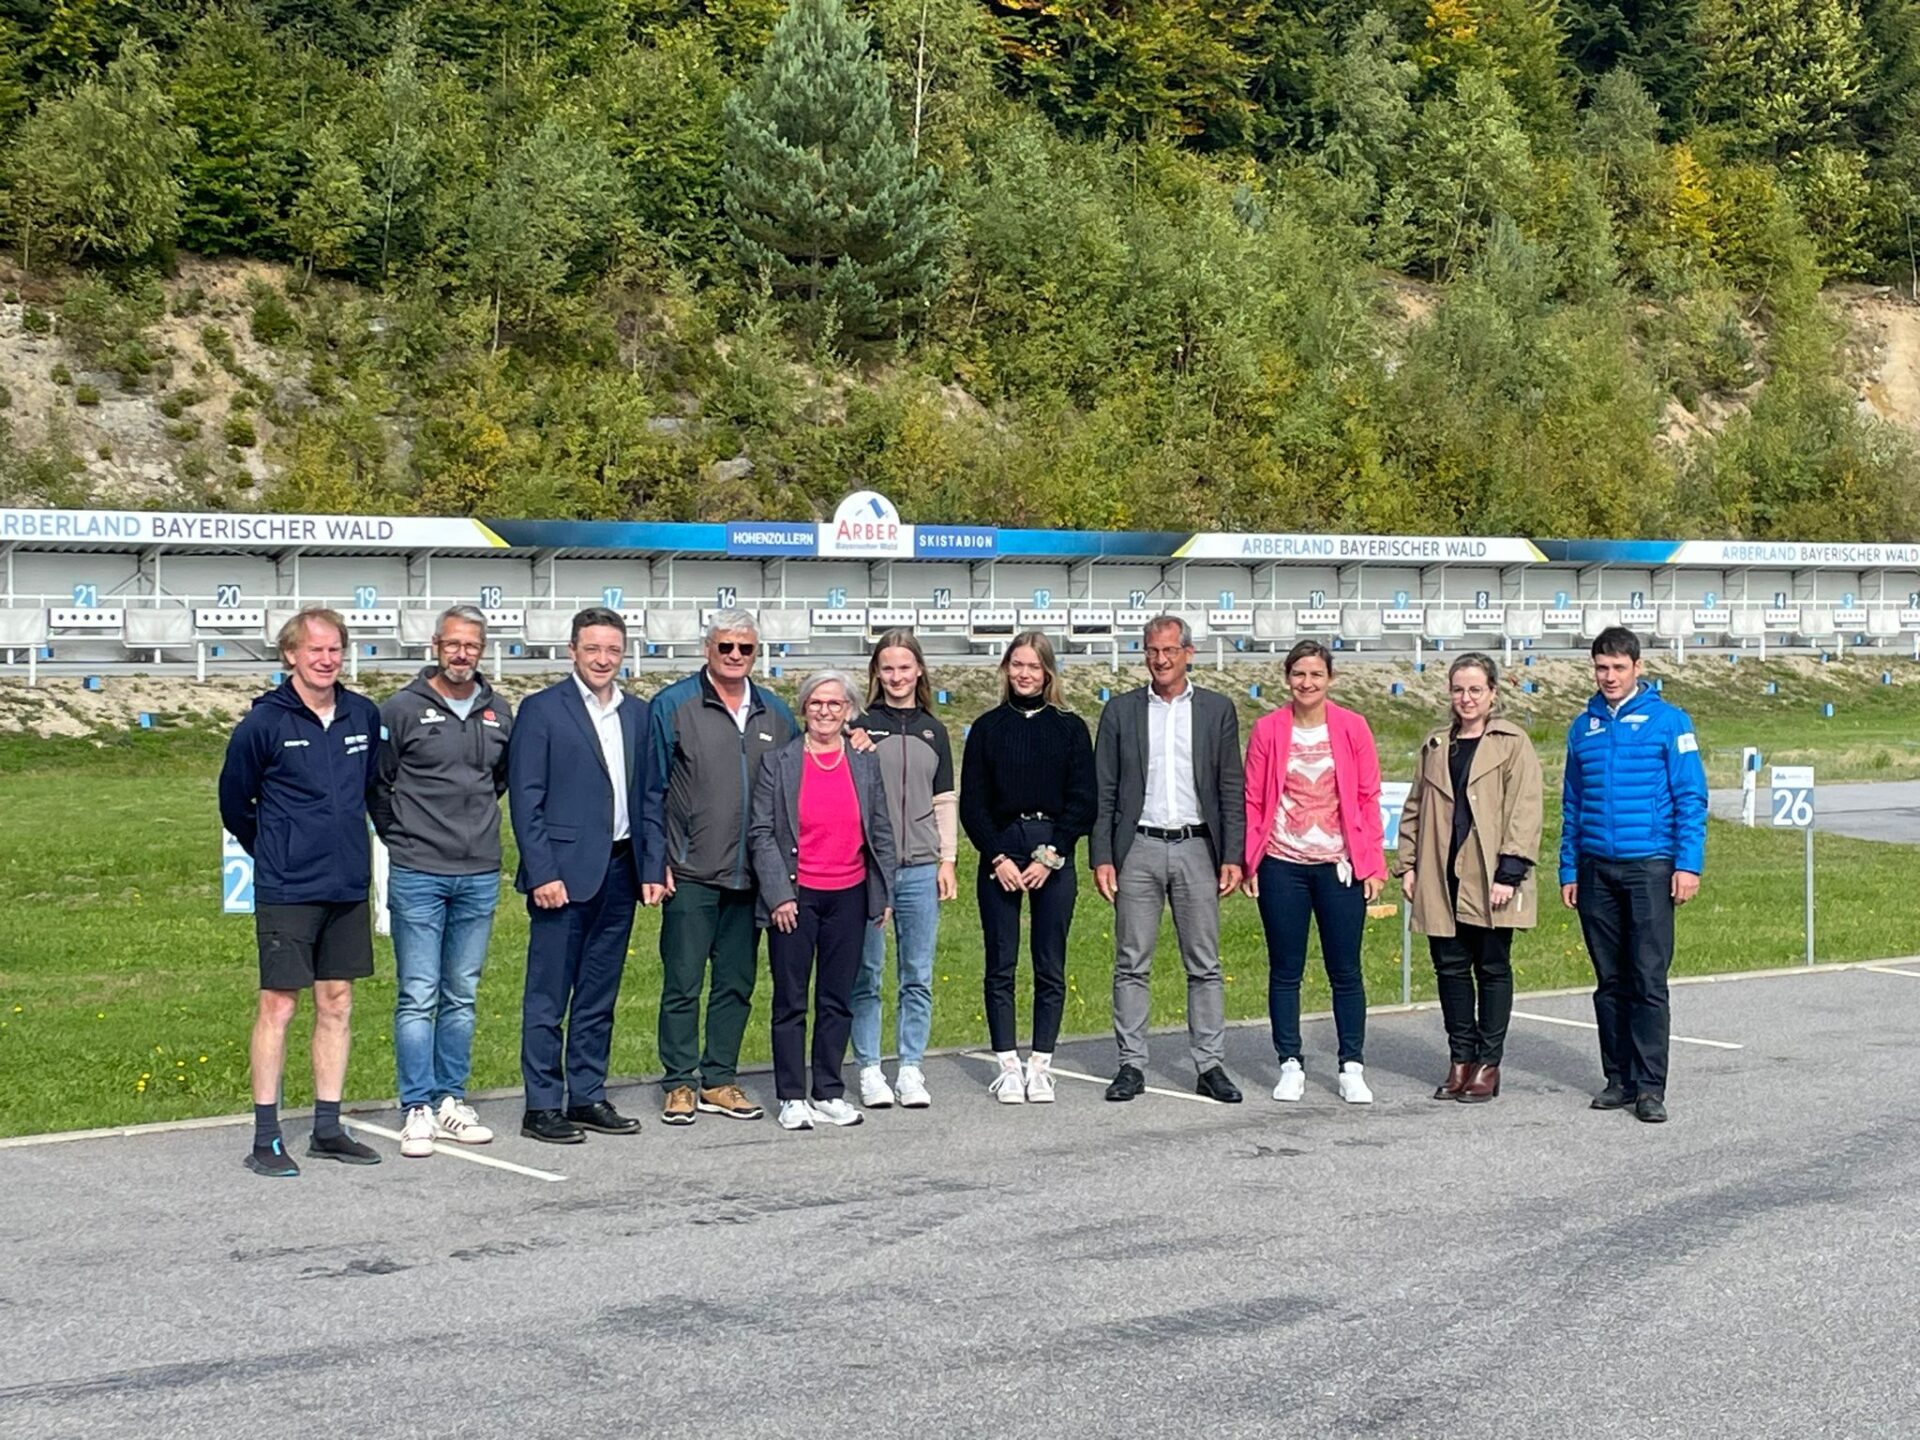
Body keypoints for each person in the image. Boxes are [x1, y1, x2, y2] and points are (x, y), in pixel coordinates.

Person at [218, 606, 384, 1176]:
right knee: (280, 1004)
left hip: (347, 884)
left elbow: (376, 793)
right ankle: (266, 1137)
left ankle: (328, 1128)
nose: (325, 659)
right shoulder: (263, 724)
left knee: (336, 1001)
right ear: (290, 654)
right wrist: (275, 848)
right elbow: (235, 803)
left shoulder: (363, 714)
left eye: (334, 649)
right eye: (314, 650)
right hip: (288, 885)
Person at [508, 607, 666, 1144]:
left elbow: (649, 795)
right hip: (562, 874)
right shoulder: (541, 710)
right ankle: (542, 1105)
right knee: (549, 995)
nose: (603, 659)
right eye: (593, 648)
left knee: (599, 993)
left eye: (613, 650)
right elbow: (526, 800)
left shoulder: (637, 715)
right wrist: (542, 871)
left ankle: (587, 1094)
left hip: (620, 871)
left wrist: (650, 865)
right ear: (573, 650)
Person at [370, 605, 513, 1158]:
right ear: (435, 645)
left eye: (471, 646)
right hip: (418, 872)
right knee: (418, 993)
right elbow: (378, 784)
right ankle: (417, 1107)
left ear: (482, 650)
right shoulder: (402, 709)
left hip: (478, 872)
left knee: (462, 994)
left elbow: (497, 780)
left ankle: (452, 1098)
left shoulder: (497, 710)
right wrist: (403, 837)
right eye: (452, 644)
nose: (461, 654)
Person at [648, 609, 798, 1126]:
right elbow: (652, 790)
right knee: (683, 981)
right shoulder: (673, 706)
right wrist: (657, 860)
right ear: (706, 649)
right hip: (690, 871)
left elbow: (798, 784)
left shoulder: (775, 714)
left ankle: (719, 1078)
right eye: (725, 647)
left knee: (736, 983)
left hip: (751, 876)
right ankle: (679, 1082)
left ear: (758, 653)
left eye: (745, 648)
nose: (735, 656)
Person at [1092, 615, 1247, 1104]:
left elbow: (1229, 787)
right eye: (1152, 651)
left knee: (1203, 963)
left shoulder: (1217, 710)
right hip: (1137, 847)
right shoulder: (1119, 712)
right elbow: (1106, 791)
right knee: (1131, 962)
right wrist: (1102, 856)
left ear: (1188, 653)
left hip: (1197, 848)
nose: (1161, 659)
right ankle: (1131, 1064)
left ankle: (1209, 1064)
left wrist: (1233, 855)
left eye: (1170, 650)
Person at [1561, 626, 1707, 1125]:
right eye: (1601, 668)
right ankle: (1618, 1078)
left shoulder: (1671, 722)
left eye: (1619, 668)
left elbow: (1691, 797)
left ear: (1637, 669)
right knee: (1609, 982)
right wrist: (1569, 867)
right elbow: (1573, 804)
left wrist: (1688, 864)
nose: (1609, 677)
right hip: (1595, 867)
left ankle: (1649, 1087)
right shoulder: (1584, 727)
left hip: (1650, 867)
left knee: (1647, 979)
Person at [749, 671, 898, 1131]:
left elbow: (880, 830)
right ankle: (792, 1095)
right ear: (804, 708)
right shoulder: (780, 762)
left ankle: (828, 1090)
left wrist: (883, 891)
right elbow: (761, 834)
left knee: (837, 998)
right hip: (797, 897)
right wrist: (778, 895)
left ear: (849, 710)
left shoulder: (864, 762)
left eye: (835, 704)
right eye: (816, 703)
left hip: (849, 895)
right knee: (791, 1000)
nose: (826, 712)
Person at [1395, 653, 1543, 1104]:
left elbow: (1526, 808)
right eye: (1459, 689)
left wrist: (1510, 871)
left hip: (1490, 875)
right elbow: (1415, 808)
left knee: (1492, 968)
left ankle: (1488, 1063)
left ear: (1493, 693)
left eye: (1475, 689)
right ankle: (1460, 1058)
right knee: (1450, 969)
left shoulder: (1512, 742)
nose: (1466, 698)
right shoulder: (1438, 744)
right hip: (1440, 875)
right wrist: (1408, 865)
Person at [1243, 640, 1385, 1105]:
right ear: (1288, 678)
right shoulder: (1267, 730)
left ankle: (1351, 1065)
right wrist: (1251, 861)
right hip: (1282, 864)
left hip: (1339, 867)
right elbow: (1253, 800)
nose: (1307, 683)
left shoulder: (1352, 728)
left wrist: (1373, 864)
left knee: (1345, 970)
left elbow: (1367, 797)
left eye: (1316, 675)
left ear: (1330, 680)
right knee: (1286, 970)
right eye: (1299, 674)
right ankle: (1290, 1062)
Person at [959, 631, 1096, 1104]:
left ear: (1048, 672)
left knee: (1049, 964)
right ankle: (1008, 1065)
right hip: (1000, 850)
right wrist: (997, 856)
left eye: (1033, 666)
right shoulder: (987, 727)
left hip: (1051, 850)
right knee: (1001, 963)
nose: (1024, 674)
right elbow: (973, 804)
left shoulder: (1070, 727)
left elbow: (1084, 802)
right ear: (1006, 669)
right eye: (1017, 664)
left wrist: (1050, 856)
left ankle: (1041, 1065)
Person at [847, 631, 957, 1110]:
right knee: (867, 972)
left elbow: (943, 800)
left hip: (920, 869)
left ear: (918, 672)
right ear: (877, 673)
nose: (896, 677)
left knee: (918, 973)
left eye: (904, 667)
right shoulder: (861, 726)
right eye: (887, 668)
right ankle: (869, 1067)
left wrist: (947, 859)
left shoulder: (935, 730)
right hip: (870, 867)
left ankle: (910, 1067)